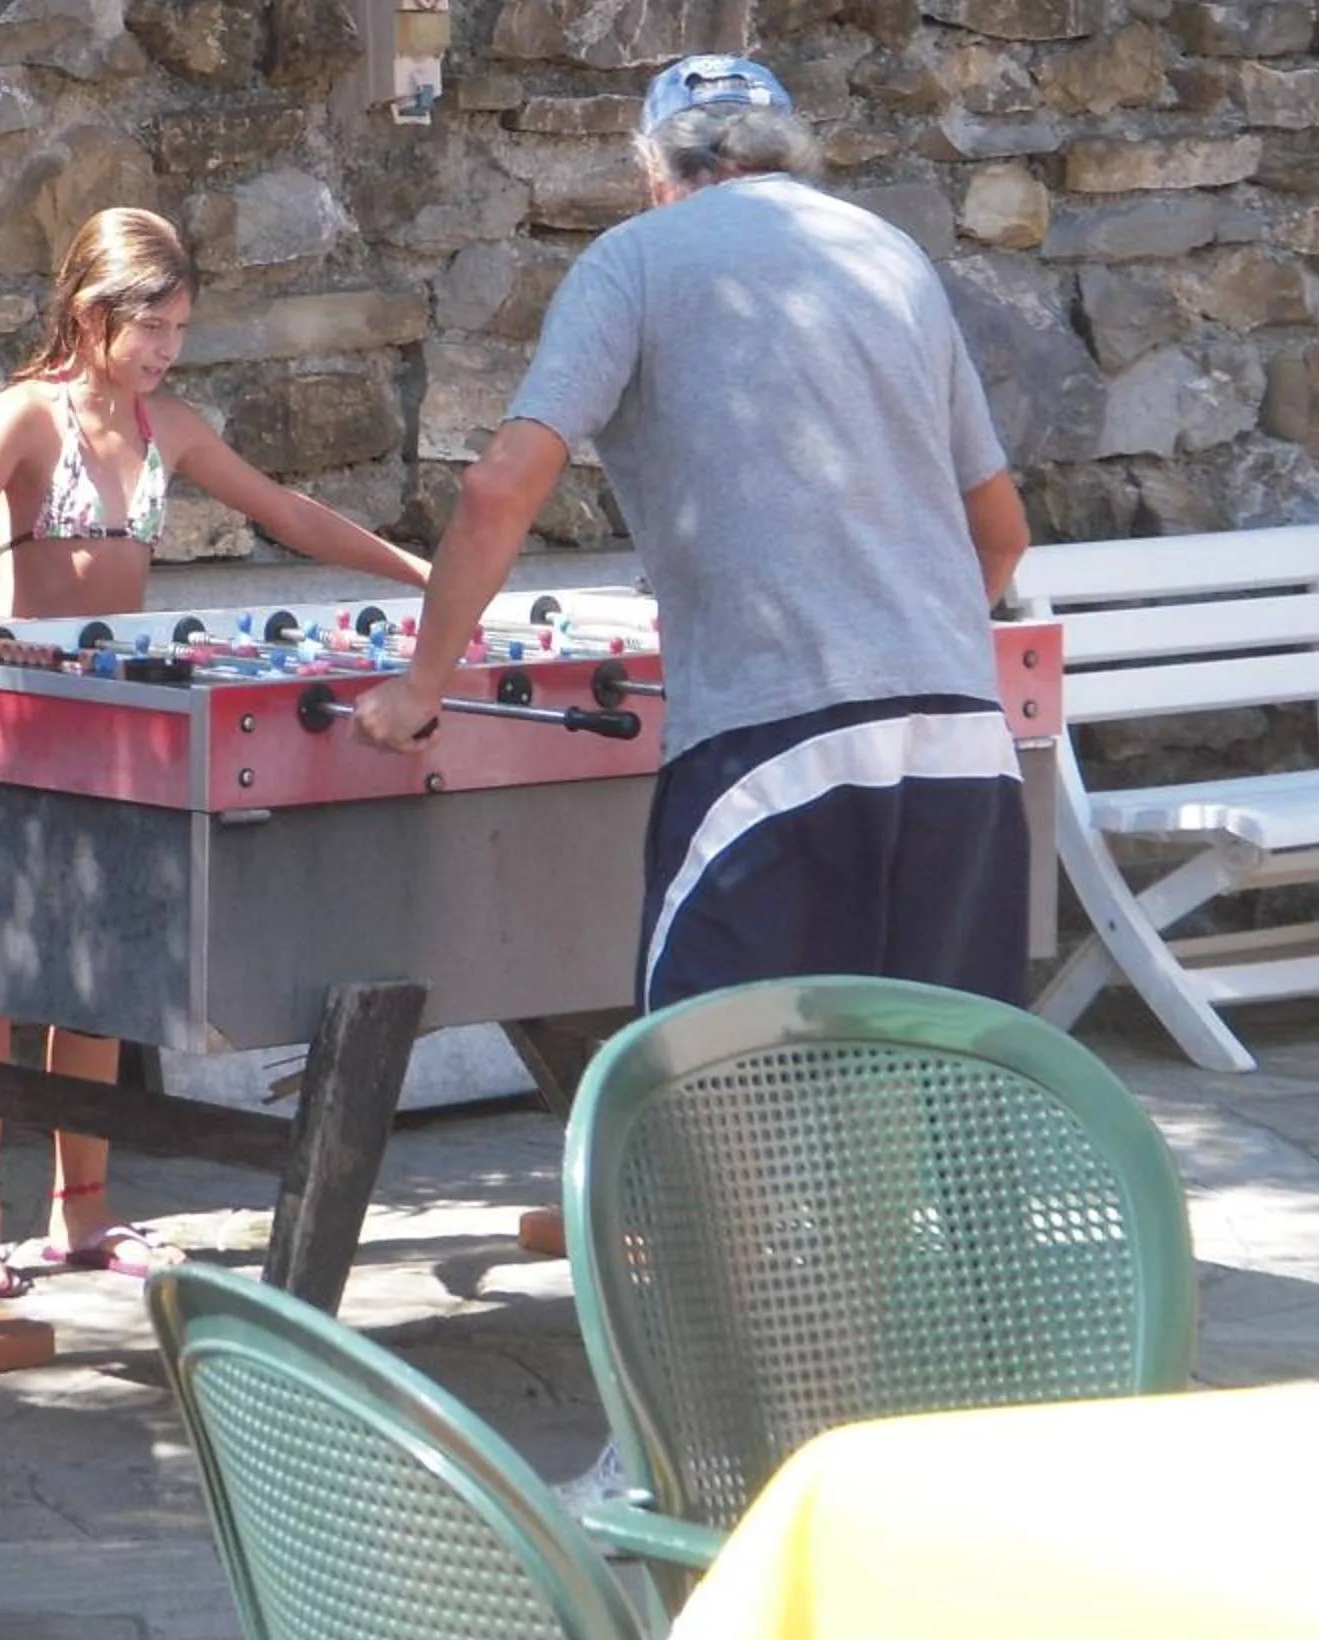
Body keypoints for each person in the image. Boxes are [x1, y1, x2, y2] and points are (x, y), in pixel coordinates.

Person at [351, 53, 1034, 1011]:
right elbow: (1001, 533)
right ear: (789, 151)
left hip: (775, 750)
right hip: (962, 742)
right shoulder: (889, 254)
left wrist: (421, 686)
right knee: (936, 1103)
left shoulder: (634, 257)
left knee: (710, 1102)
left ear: (652, 171)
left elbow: (500, 489)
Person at [0, 207, 431, 1302]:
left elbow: (289, 511)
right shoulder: (23, 415)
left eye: (181, 330)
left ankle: (82, 1215)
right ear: (93, 312)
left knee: (95, 970)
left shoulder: (171, 427)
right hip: (19, 713)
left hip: (119, 719)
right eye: (152, 326)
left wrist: (431, 578)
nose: (166, 350)